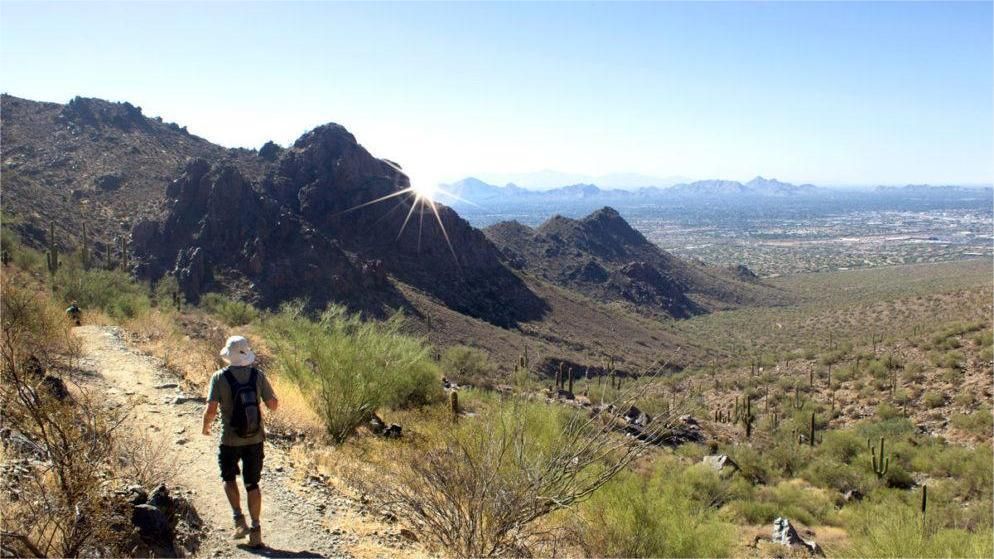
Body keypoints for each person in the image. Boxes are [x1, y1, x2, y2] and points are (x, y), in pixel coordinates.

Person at [202, 336, 278, 548]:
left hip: (229, 440)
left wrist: (205, 427)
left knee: (228, 477)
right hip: (255, 439)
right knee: (252, 484)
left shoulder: (219, 377)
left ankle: (239, 520)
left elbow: (211, 410)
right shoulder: (258, 375)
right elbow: (273, 405)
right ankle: (255, 529)